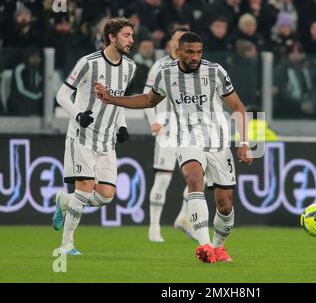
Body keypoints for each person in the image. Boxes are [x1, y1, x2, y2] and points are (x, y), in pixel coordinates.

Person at [95, 32, 253, 263]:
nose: (195, 57)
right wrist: (112, 98)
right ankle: (205, 245)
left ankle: (218, 247)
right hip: (186, 138)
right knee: (194, 179)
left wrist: (246, 143)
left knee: (225, 204)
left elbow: (237, 106)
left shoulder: (215, 71)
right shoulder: (166, 73)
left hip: (217, 140)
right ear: (178, 51)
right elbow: (149, 100)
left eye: (199, 52)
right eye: (189, 52)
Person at [52, 18, 136, 255]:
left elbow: (118, 100)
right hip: (82, 136)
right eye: (127, 35)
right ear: (111, 37)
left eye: (131, 35)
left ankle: (64, 201)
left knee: (106, 196)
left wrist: (122, 125)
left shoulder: (130, 67)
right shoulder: (88, 63)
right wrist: (78, 115)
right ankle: (66, 245)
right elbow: (61, 95)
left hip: (107, 141)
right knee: (85, 188)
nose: (132, 40)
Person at [141, 28, 196, 243]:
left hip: (189, 130)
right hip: (166, 129)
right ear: (171, 43)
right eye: (177, 39)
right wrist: (153, 121)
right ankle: (154, 228)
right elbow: (147, 96)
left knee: (198, 175)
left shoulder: (194, 66)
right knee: (163, 179)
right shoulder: (161, 66)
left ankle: (183, 217)